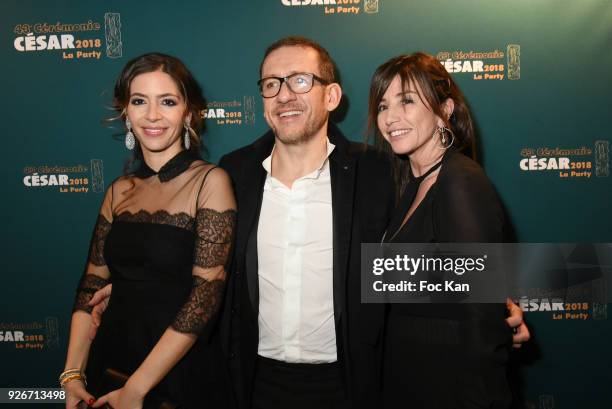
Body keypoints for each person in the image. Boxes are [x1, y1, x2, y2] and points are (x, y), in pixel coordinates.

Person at [88, 39, 529, 409]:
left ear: (331, 97)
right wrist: (139, 286)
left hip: (353, 385)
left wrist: (493, 303)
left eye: (301, 80)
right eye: (271, 84)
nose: (284, 94)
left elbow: (425, 252)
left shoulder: (379, 170)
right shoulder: (232, 174)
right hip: (251, 384)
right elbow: (204, 267)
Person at [61, 53, 236, 409]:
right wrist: (72, 374)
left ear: (187, 113)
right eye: (140, 101)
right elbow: (90, 286)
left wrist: (137, 389)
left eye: (167, 102)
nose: (152, 115)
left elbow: (205, 298)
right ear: (126, 112)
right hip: (109, 362)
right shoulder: (118, 190)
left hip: (175, 374)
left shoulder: (209, 182)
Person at [368, 52, 514, 408]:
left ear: (444, 109)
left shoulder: (459, 180)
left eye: (407, 101)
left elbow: (481, 315)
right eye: (383, 105)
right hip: (410, 380)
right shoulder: (413, 185)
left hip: (450, 388)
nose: (390, 118)